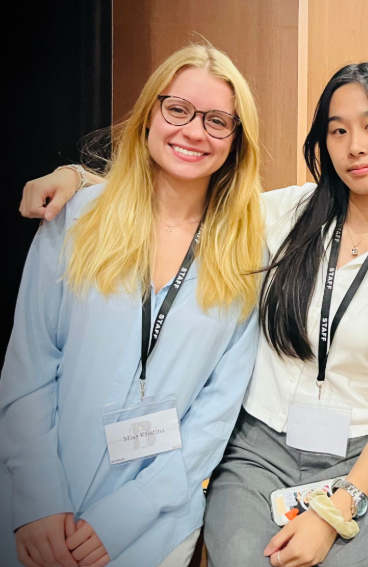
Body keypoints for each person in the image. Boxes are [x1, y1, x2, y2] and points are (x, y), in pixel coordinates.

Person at [20, 61, 368, 567]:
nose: (354, 145)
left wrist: (339, 509)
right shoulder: (284, 214)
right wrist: (77, 176)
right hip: (258, 451)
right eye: (338, 130)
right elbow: (183, 184)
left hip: (358, 460)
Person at [1, 43, 262, 567]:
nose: (193, 131)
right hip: (40, 509)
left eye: (217, 121)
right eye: (178, 109)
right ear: (149, 114)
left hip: (155, 524)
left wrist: (128, 513)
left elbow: (214, 415)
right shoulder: (76, 219)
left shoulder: (248, 255)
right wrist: (37, 501)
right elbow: (28, 371)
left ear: (235, 142)